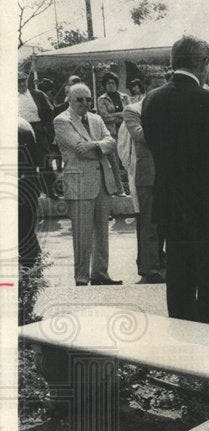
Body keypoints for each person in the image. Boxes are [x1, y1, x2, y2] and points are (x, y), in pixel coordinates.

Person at [142, 35, 209, 326]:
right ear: (203, 63)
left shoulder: (152, 100)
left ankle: (185, 354)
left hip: (172, 208)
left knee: (179, 284)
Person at [53, 83, 122, 286]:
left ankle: (100, 273)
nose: (85, 103)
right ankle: (81, 277)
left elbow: (111, 143)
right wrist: (100, 146)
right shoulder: (61, 121)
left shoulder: (96, 118)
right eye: (80, 99)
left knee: (102, 230)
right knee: (82, 233)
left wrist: (93, 145)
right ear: (70, 100)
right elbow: (77, 147)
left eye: (88, 99)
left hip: (102, 180)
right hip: (79, 182)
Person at [121, 86, 166, 283]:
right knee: (149, 224)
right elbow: (140, 136)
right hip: (147, 176)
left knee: (167, 224)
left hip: (168, 174)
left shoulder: (164, 108)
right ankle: (150, 269)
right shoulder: (132, 110)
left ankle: (162, 263)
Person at [17, 72, 55, 197]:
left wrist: (48, 132)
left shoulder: (38, 95)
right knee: (27, 163)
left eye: (23, 80)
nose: (21, 84)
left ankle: (50, 190)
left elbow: (50, 113)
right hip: (20, 132)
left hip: (38, 130)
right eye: (18, 81)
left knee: (45, 161)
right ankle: (32, 193)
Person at [18, 118, 43, 270]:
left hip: (21, 187)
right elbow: (38, 159)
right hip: (28, 186)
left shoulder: (20, 127)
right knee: (26, 234)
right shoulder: (23, 124)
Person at [96, 73, 129, 139]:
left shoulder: (125, 97)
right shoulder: (102, 99)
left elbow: (130, 113)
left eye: (113, 83)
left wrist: (112, 114)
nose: (111, 85)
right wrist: (120, 114)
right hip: (111, 133)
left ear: (116, 84)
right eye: (108, 83)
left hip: (126, 131)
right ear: (105, 85)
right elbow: (104, 117)